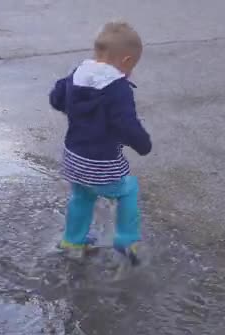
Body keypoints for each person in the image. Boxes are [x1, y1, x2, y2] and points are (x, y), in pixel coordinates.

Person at [49, 21, 152, 265]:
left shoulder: (77, 74)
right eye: (132, 67)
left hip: (73, 158)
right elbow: (126, 124)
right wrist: (143, 144)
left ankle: (72, 241)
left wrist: (75, 107)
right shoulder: (118, 89)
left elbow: (56, 99)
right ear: (126, 61)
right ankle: (127, 240)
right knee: (128, 189)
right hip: (101, 161)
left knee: (82, 194)